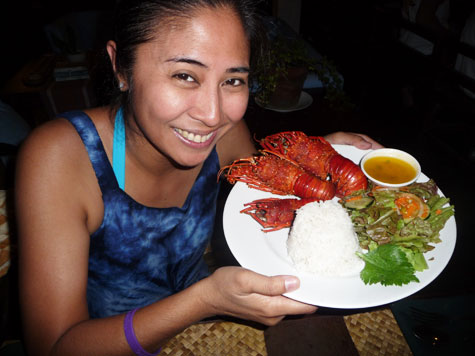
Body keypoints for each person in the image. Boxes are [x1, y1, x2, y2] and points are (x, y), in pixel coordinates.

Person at [15, 1, 382, 355]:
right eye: (185, 76)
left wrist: (325, 157)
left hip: (201, 330)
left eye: (233, 80)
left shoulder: (227, 132)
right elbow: (54, 347)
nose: (213, 114)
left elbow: (270, 181)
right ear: (120, 68)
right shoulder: (59, 157)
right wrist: (204, 300)